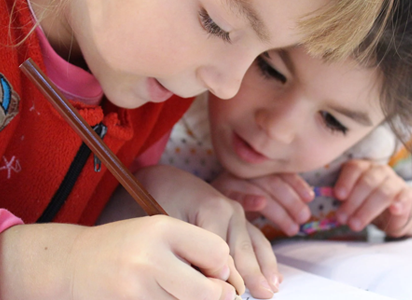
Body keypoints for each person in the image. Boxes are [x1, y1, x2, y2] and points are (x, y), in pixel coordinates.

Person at [0, 0, 392, 299]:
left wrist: (140, 202)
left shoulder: (156, 89)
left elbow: (71, 214)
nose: (227, 86)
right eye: (217, 24)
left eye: (260, 56)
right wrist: (66, 268)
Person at [159, 0, 412, 241]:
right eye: (269, 70)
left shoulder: (387, 139)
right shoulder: (169, 98)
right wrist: (183, 201)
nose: (277, 128)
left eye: (333, 121)